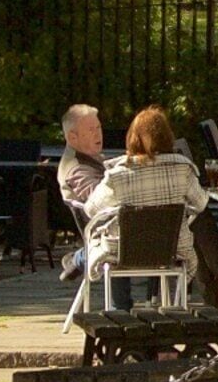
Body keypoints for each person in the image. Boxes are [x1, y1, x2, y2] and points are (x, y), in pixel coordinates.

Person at [82, 106, 209, 309]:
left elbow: (91, 209)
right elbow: (201, 203)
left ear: (132, 138)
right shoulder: (183, 169)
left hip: (124, 251)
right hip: (171, 249)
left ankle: (118, 309)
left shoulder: (119, 174)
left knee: (107, 238)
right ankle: (173, 311)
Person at [53, 104, 109, 280]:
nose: (97, 133)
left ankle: (79, 258)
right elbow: (100, 199)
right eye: (90, 130)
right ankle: (80, 258)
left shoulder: (89, 156)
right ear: (72, 137)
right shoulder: (76, 168)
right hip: (104, 233)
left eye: (99, 127)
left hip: (112, 228)